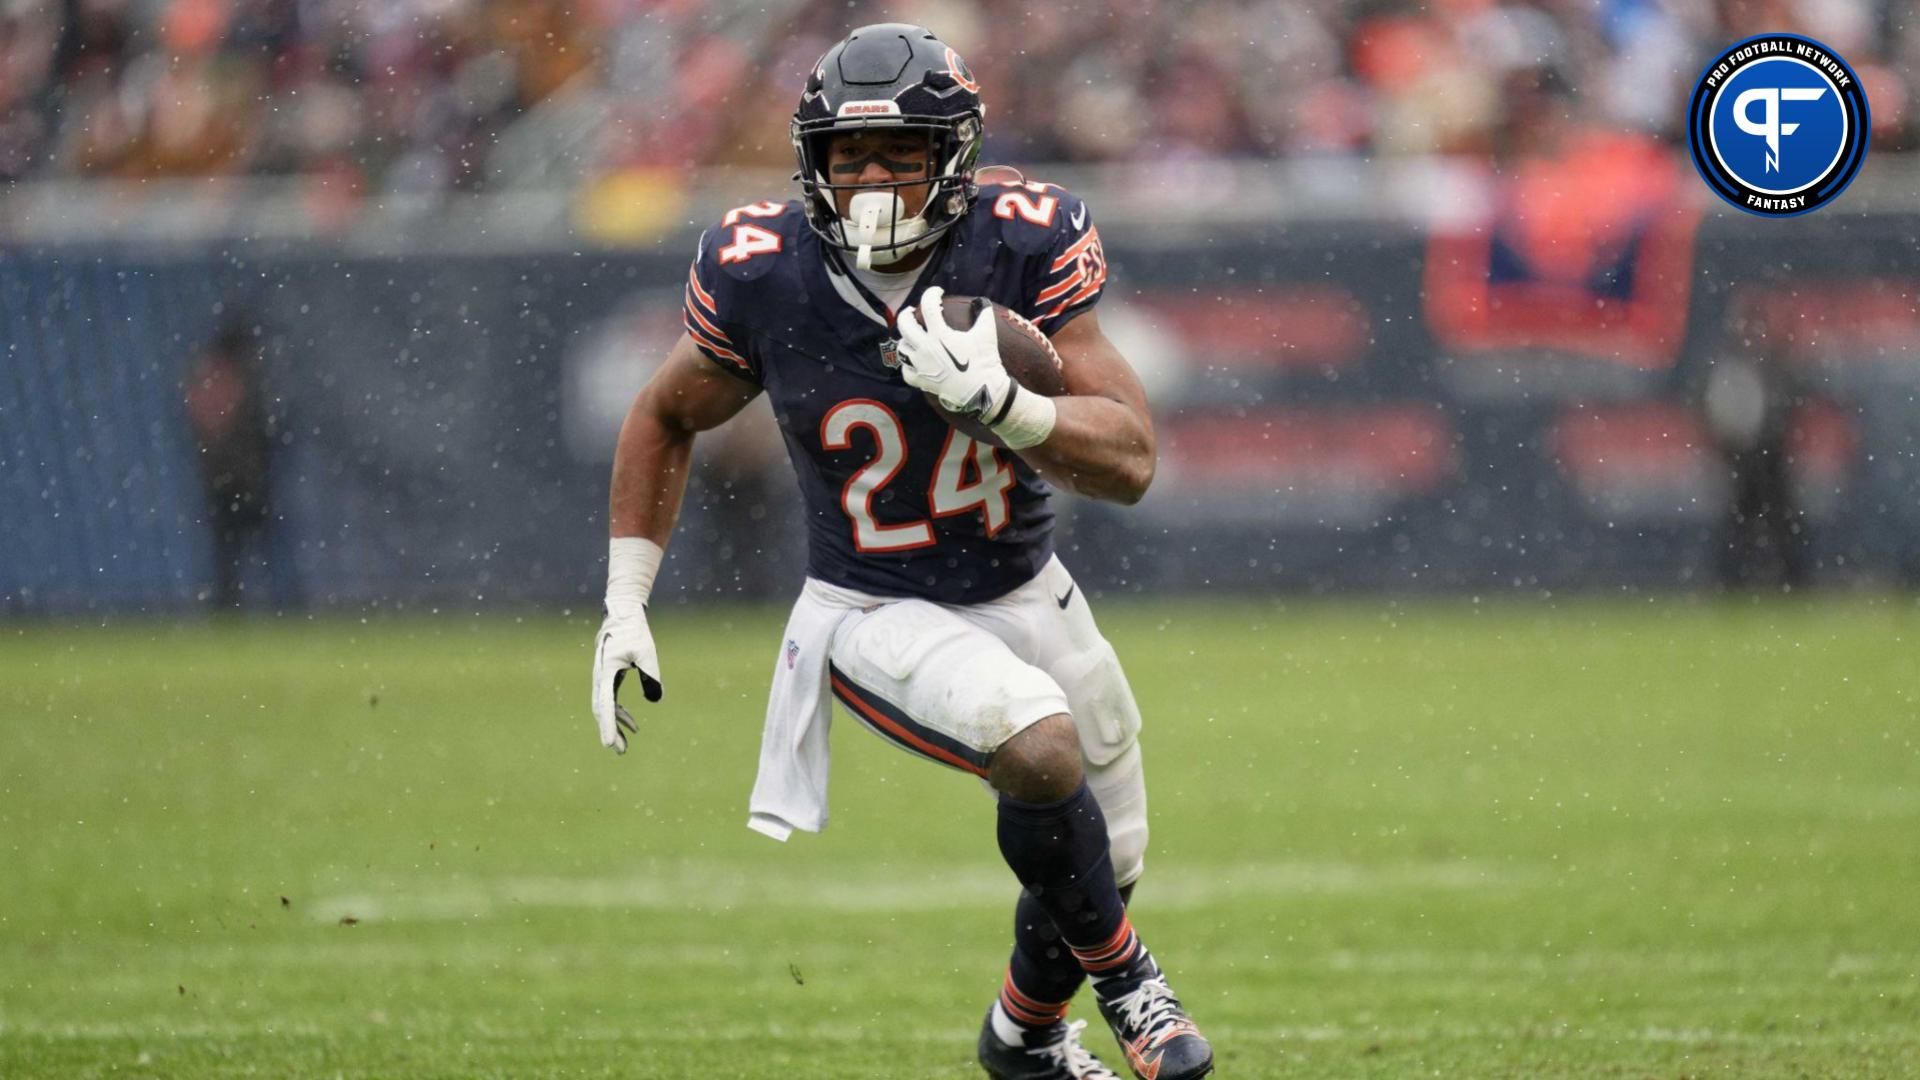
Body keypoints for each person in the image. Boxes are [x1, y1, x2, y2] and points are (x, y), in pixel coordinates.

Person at [587, 24, 1212, 1080]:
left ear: (955, 155)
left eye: (902, 153)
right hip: (870, 606)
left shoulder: (1020, 240)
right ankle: (1129, 983)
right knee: (1040, 746)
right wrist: (625, 600)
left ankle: (1022, 1041)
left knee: (1111, 846)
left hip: (1024, 584)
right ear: (812, 161)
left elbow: (1134, 455)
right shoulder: (762, 268)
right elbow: (665, 413)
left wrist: (1013, 408)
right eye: (850, 155)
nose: (872, 180)